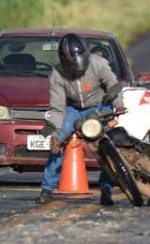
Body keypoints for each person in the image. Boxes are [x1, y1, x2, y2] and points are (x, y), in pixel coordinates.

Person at [39, 33, 119, 206]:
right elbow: (57, 108)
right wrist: (52, 132)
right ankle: (47, 188)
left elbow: (114, 85)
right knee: (57, 139)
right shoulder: (57, 74)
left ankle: (107, 187)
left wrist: (118, 104)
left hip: (100, 107)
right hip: (73, 109)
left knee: (111, 142)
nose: (78, 66)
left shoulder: (99, 64)